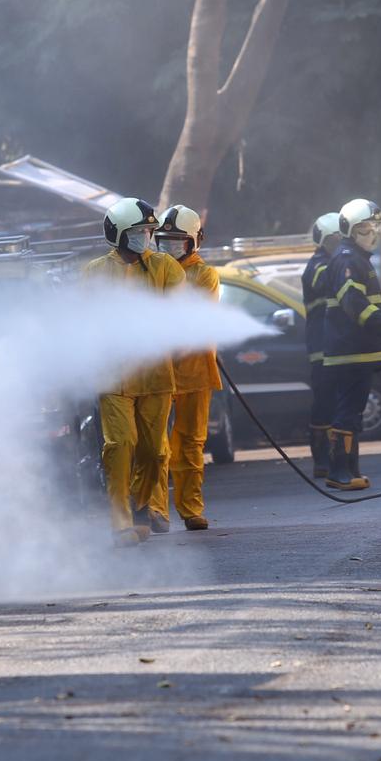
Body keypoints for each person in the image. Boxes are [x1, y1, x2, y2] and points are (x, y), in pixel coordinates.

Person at [83, 197, 185, 547]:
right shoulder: (94, 272)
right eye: (139, 231)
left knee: (155, 452)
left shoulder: (166, 267)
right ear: (119, 233)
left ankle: (142, 506)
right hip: (112, 376)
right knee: (120, 444)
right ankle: (120, 521)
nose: (146, 236)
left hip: (156, 374)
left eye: (148, 230)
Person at [146, 205, 218, 532]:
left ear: (194, 241)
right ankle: (155, 511)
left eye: (177, 242)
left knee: (190, 442)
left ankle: (190, 510)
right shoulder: (149, 271)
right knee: (155, 444)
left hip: (194, 372)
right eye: (163, 241)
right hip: (158, 373)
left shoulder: (204, 275)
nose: (169, 248)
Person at [322, 198, 381, 491]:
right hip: (349, 352)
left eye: (376, 228)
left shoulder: (355, 257)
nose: (373, 235)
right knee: (348, 410)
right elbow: (352, 300)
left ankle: (349, 469)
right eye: (365, 229)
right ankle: (338, 470)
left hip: (357, 352)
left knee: (354, 410)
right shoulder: (346, 259)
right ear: (349, 231)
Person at [301, 211, 342, 478]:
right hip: (322, 349)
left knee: (338, 404)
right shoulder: (318, 265)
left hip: (337, 346)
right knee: (324, 404)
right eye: (336, 239)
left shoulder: (337, 261)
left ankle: (338, 457)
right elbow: (327, 282)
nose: (340, 244)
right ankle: (322, 459)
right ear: (324, 240)